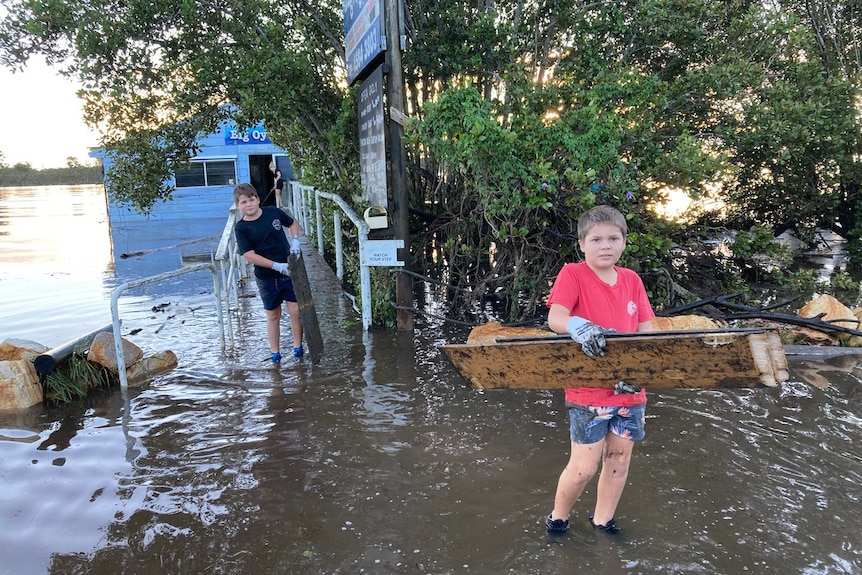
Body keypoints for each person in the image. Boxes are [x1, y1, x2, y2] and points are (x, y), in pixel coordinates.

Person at [544, 204, 655, 535]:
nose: (605, 246)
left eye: (613, 238)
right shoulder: (573, 274)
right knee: (583, 467)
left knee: (619, 461)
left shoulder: (632, 280)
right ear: (582, 244)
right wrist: (576, 325)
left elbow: (648, 331)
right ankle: (558, 518)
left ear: (623, 241)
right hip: (587, 391)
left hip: (629, 391)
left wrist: (640, 373)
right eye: (596, 240)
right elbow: (555, 318)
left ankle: (603, 520)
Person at [233, 182, 304, 362]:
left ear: (257, 199)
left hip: (289, 270)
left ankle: (298, 348)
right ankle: (275, 353)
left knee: (295, 311)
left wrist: (295, 241)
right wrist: (275, 266)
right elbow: (249, 255)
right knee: (273, 314)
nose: (248, 204)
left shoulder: (273, 212)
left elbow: (292, 223)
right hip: (266, 276)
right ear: (237, 206)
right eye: (243, 202)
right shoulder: (241, 228)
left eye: (251, 199)